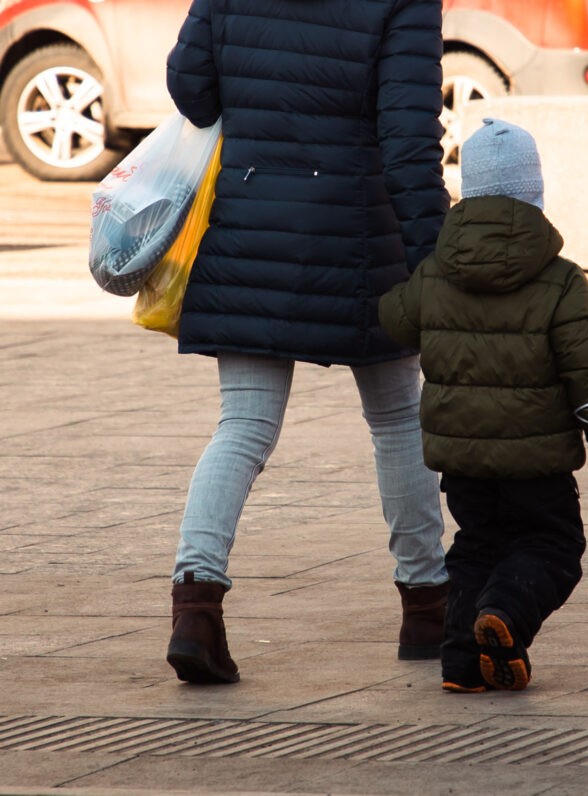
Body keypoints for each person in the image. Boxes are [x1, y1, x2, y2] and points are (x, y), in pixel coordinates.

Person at [162, 0, 451, 684]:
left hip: (249, 226)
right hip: (356, 237)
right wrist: (435, 266)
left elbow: (191, 89)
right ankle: (427, 608)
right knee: (397, 418)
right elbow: (408, 137)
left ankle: (194, 609)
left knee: (243, 426)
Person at [377, 118, 588, 692]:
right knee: (554, 547)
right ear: (534, 192)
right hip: (536, 460)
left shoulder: (436, 271)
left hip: (461, 458)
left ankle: (462, 662)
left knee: (477, 546)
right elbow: (587, 365)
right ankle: (506, 616)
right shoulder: (562, 280)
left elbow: (397, 320)